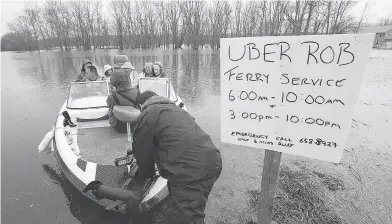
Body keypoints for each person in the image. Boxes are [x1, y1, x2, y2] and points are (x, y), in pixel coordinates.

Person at [132, 90, 222, 224]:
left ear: (141, 105)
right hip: (212, 159)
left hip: (190, 169)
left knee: (187, 217)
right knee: (191, 204)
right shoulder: (177, 110)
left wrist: (146, 174)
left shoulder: (147, 113)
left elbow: (141, 151)